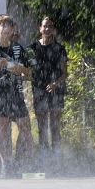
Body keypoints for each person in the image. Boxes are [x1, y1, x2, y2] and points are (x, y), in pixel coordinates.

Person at [0, 15, 33, 178]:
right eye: (3, 25)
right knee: (2, 130)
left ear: (13, 30)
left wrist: (16, 67)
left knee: (25, 127)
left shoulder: (18, 49)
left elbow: (29, 73)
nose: (7, 29)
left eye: (10, 26)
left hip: (16, 94)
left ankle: (28, 162)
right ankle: (6, 165)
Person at [30, 16, 69, 170]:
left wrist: (55, 84)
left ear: (53, 30)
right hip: (39, 90)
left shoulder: (59, 49)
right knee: (42, 127)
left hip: (56, 90)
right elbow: (28, 71)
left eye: (50, 26)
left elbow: (65, 73)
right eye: (45, 26)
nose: (47, 29)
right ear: (40, 28)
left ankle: (57, 161)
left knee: (55, 127)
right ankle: (44, 161)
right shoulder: (32, 48)